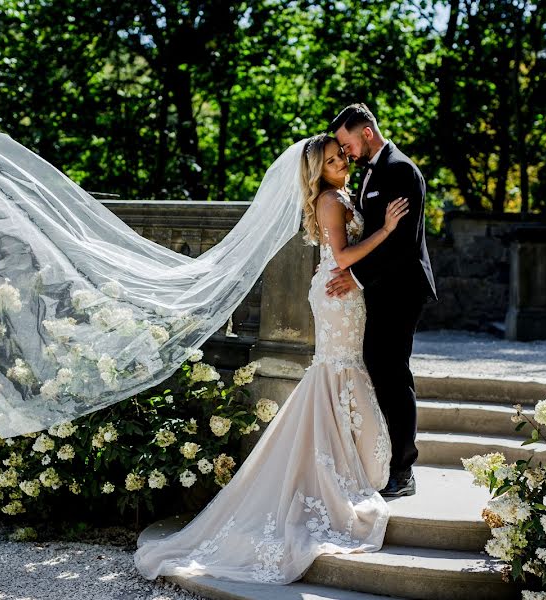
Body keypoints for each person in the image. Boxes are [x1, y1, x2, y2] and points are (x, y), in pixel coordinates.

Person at [133, 133, 409, 583]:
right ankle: (328, 465)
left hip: (346, 295)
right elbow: (340, 257)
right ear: (317, 169)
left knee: (343, 370)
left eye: (342, 156)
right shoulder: (328, 201)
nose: (343, 161)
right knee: (336, 370)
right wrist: (386, 230)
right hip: (338, 295)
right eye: (334, 159)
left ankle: (343, 457)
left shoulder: (341, 194)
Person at [326, 103, 438, 497]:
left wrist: (354, 277)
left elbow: (403, 244)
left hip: (401, 289)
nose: (345, 152)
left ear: (366, 133)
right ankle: (381, 457)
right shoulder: (371, 171)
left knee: (391, 373)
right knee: (377, 367)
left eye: (346, 142)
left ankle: (403, 471)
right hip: (379, 289)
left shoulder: (401, 170)